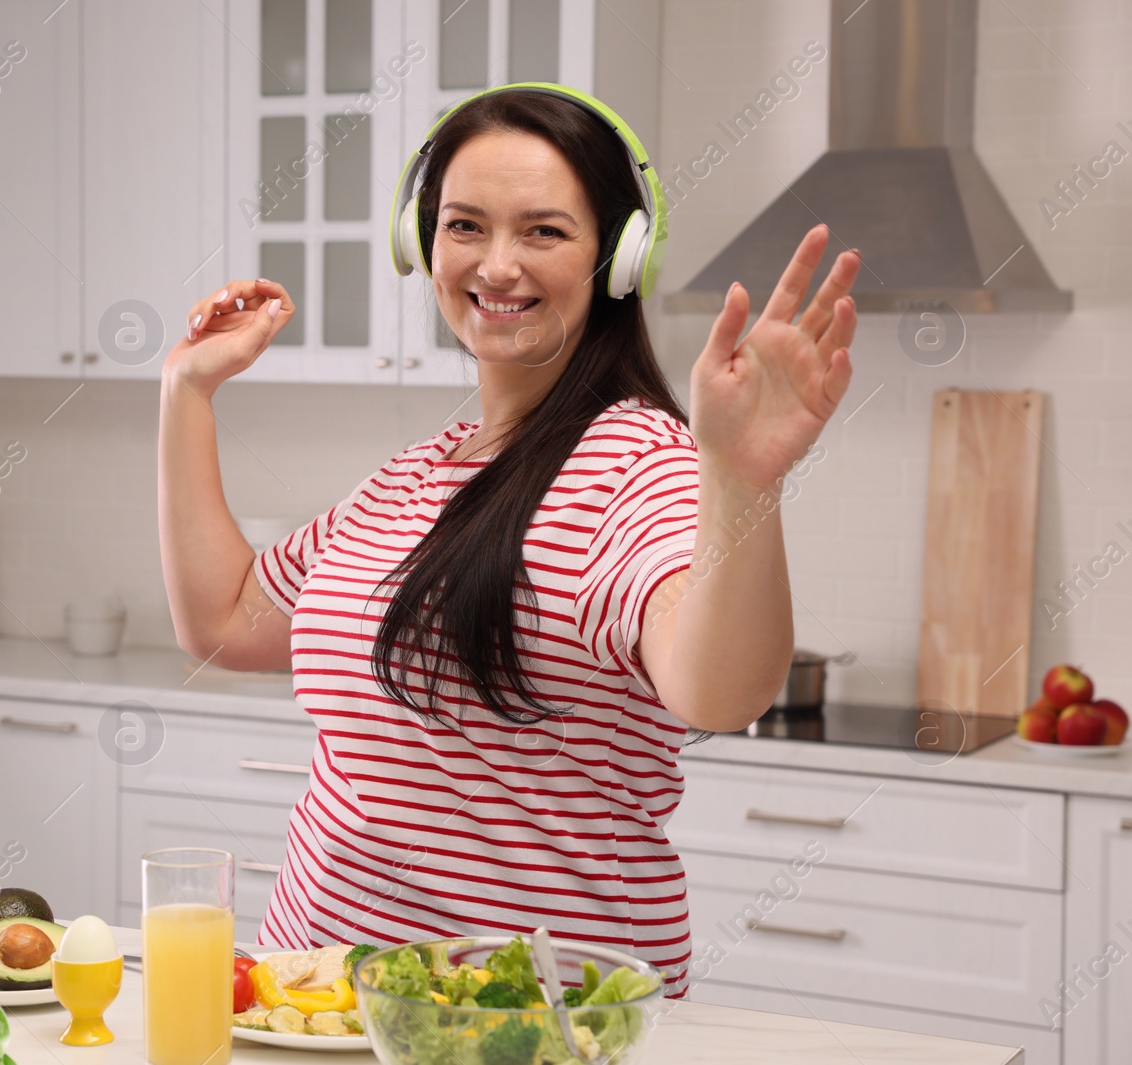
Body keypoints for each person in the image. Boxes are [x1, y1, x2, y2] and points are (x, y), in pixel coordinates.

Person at [156, 86, 858, 998]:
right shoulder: (417, 474)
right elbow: (225, 619)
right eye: (464, 225)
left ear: (618, 255)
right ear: (422, 241)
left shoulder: (638, 464)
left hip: (534, 1023)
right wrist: (186, 394)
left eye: (543, 232)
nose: (495, 264)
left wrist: (741, 484)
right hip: (312, 1000)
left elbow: (719, 689)